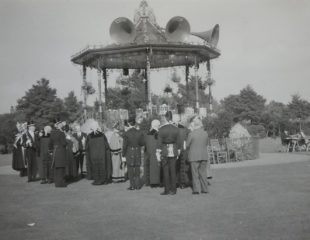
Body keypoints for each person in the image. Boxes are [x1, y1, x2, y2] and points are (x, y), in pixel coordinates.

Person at [157, 111, 181, 195]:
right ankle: (173, 190)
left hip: (164, 150)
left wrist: (158, 152)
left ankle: (167, 190)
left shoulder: (161, 128)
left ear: (166, 117)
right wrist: (178, 151)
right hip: (174, 149)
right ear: (171, 117)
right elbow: (179, 142)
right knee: (173, 171)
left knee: (165, 171)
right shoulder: (176, 128)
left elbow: (159, 143)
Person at [186, 117, 209, 194]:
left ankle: (196, 190)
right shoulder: (205, 133)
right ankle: (205, 189)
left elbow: (187, 145)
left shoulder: (191, 134)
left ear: (194, 125)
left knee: (195, 174)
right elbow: (206, 143)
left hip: (194, 156)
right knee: (203, 173)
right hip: (203, 155)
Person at [122, 117, 144, 190]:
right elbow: (142, 143)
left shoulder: (126, 133)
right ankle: (138, 185)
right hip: (137, 151)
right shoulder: (140, 132)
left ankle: (132, 185)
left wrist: (123, 155)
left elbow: (124, 145)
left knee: (130, 169)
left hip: (129, 152)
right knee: (137, 168)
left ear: (128, 123)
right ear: (135, 123)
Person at [49, 120, 67, 187]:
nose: (62, 125)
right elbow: (64, 143)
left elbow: (50, 143)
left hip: (54, 151)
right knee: (61, 168)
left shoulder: (52, 133)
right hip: (61, 151)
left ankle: (57, 183)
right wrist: (67, 141)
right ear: (59, 125)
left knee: (56, 168)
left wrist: (51, 151)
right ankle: (61, 183)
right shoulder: (61, 133)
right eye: (61, 124)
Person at [144, 119, 161, 187]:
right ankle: (155, 182)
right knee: (156, 167)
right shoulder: (157, 134)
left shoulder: (147, 134)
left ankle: (148, 181)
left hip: (148, 152)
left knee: (149, 166)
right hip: (156, 152)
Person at [176, 119, 191, 189]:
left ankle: (178, 182)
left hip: (177, 151)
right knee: (184, 167)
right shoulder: (187, 131)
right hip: (185, 151)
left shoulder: (175, 130)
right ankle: (184, 183)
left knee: (178, 168)